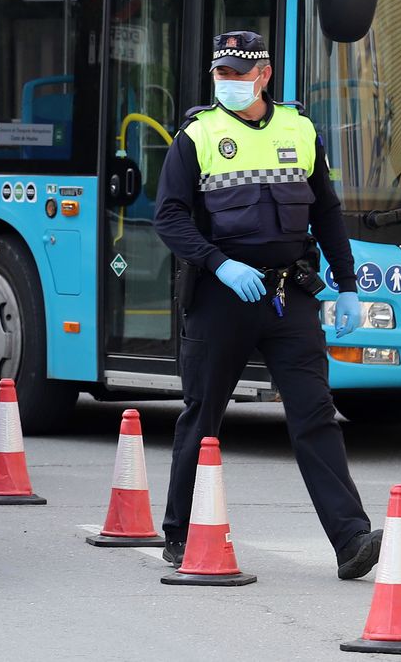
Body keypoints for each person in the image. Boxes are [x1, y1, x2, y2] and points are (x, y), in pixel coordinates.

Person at [154, 31, 382, 580]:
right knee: (203, 416)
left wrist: (346, 283)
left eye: (238, 73)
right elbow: (169, 217)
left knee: (315, 415)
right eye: (220, 74)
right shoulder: (198, 134)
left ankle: (350, 538)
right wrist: (218, 264)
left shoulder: (299, 129)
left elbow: (326, 212)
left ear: (264, 75)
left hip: (289, 296)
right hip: (221, 296)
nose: (228, 83)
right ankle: (181, 533)